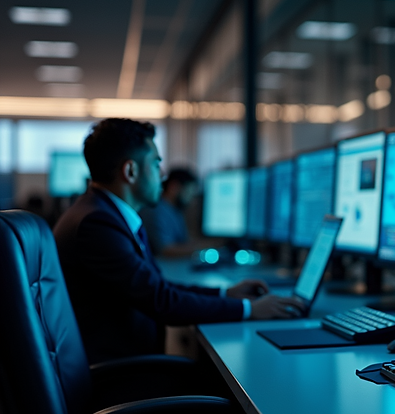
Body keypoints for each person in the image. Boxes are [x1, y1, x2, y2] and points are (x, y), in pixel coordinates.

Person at [53, 118, 304, 363]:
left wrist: (226, 293)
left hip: (129, 363)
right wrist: (250, 310)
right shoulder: (97, 224)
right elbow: (161, 301)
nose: (162, 174)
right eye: (156, 163)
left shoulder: (100, 213)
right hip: (121, 375)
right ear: (130, 171)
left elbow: (156, 286)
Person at [139, 167, 199, 257]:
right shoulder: (156, 210)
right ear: (174, 187)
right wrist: (206, 246)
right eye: (189, 191)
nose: (191, 198)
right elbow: (165, 250)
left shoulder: (175, 209)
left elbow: (183, 241)